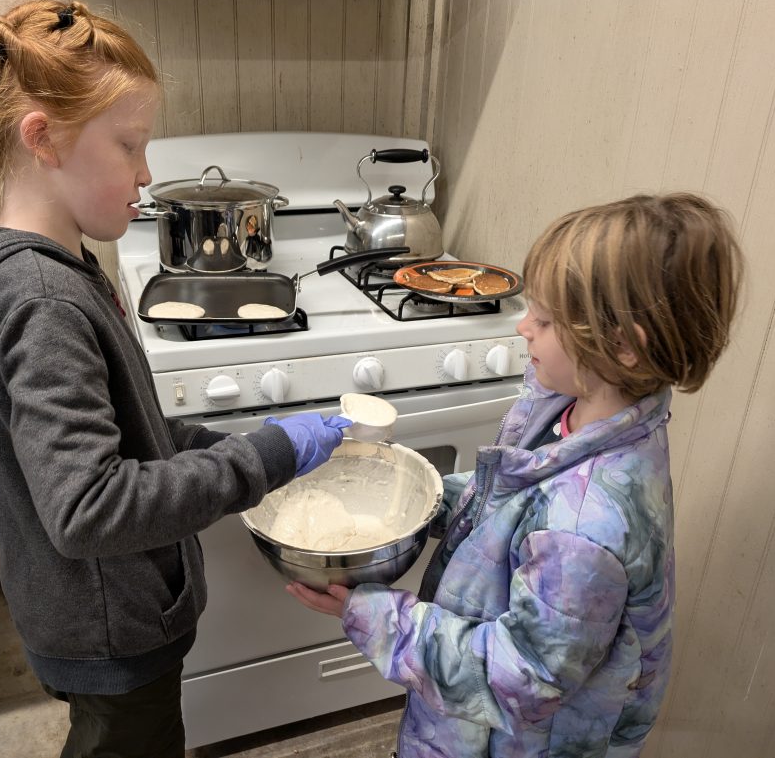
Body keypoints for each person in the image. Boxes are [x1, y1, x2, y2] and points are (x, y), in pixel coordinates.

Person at [0, 0, 348, 758]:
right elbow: (90, 506)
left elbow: (127, 435)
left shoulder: (42, 267)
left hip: (85, 617)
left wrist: (239, 444)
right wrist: (259, 460)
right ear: (43, 139)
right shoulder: (45, 301)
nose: (149, 175)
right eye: (130, 145)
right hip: (109, 635)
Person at [288, 193, 744, 757]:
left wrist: (376, 615)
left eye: (546, 320)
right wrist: (413, 501)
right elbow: (508, 505)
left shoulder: (586, 530)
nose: (524, 326)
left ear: (622, 347)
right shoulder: (569, 408)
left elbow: (516, 680)